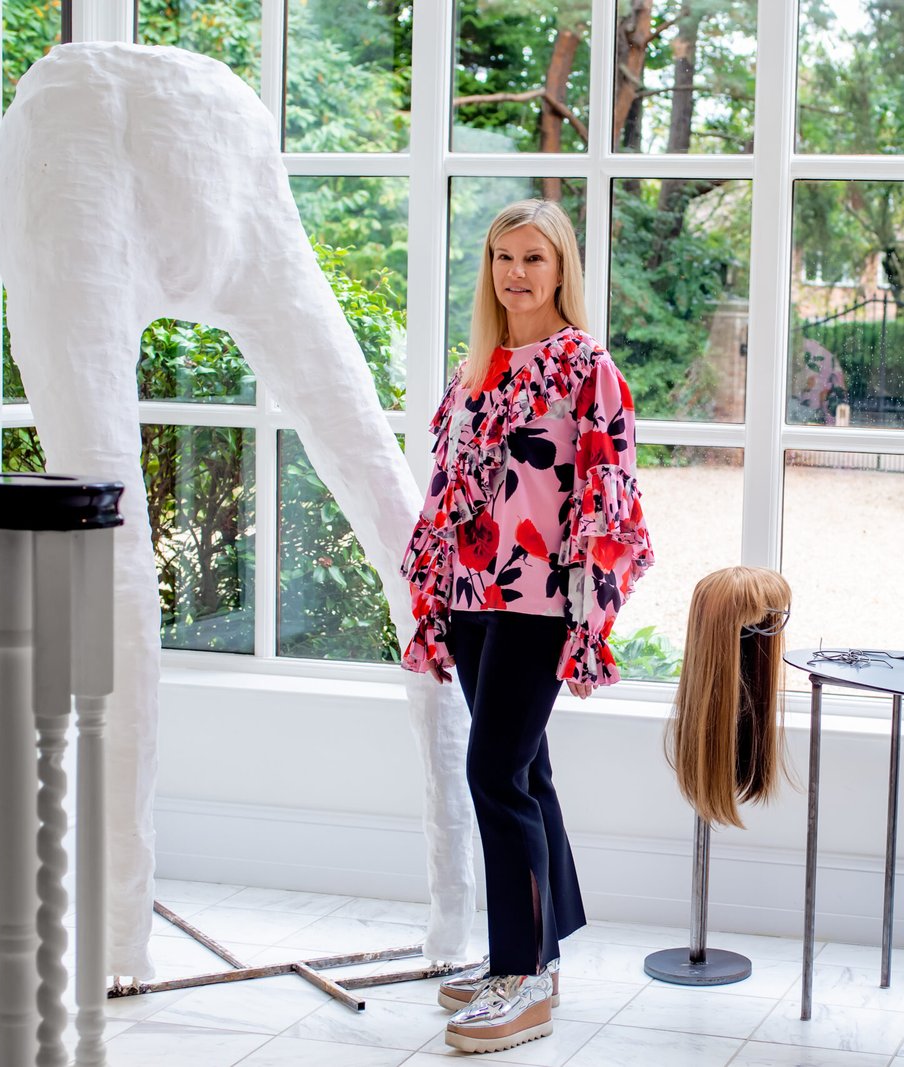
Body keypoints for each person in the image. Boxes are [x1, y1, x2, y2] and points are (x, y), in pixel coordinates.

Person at [400, 199, 654, 1054]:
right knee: (526, 770)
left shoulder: (587, 366)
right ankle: (535, 954)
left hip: (541, 598)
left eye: (533, 259)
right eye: (503, 257)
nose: (515, 274)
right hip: (474, 594)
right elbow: (448, 491)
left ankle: (520, 974)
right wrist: (435, 593)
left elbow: (609, 491)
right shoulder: (479, 367)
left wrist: (590, 610)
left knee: (494, 771)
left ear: (561, 270)